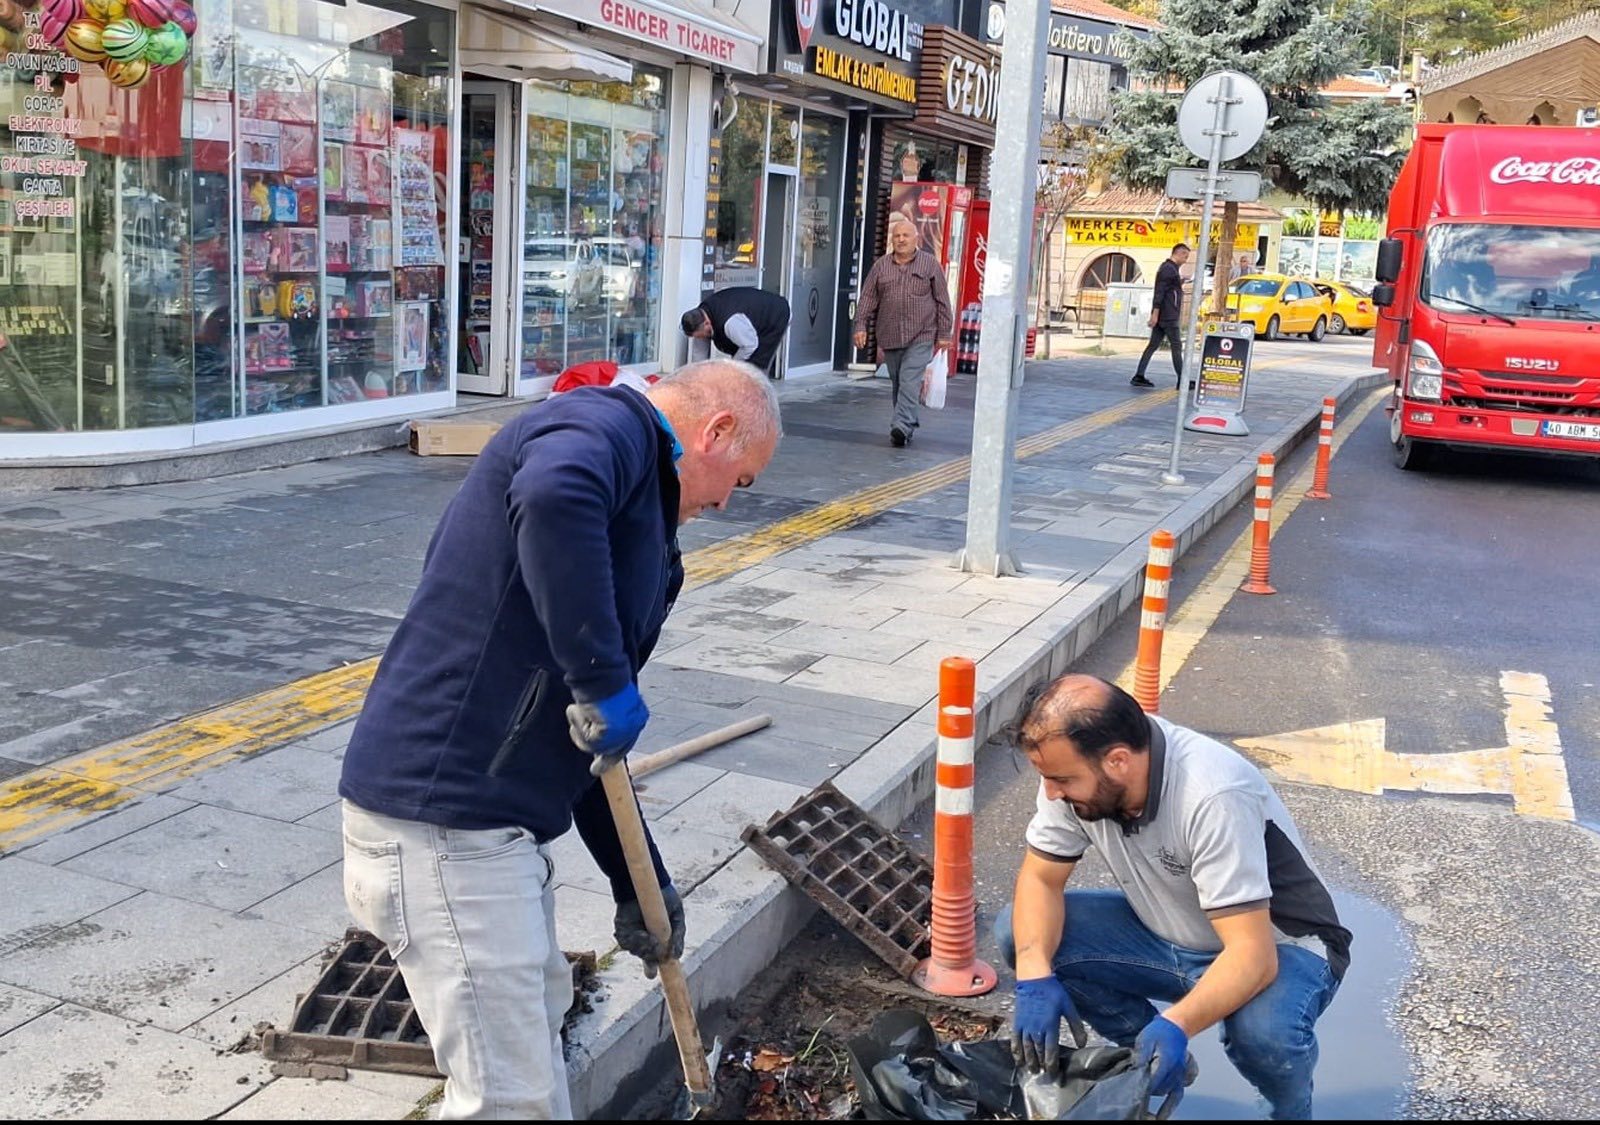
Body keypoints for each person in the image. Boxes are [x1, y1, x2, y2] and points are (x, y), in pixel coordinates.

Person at [338, 359, 781, 1119]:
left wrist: (638, 881)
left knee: (534, 1032)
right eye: (738, 481)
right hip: (446, 826)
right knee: (512, 1103)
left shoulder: (638, 496)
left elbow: (589, 748)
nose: (720, 504)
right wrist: (604, 675)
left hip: (488, 833)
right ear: (715, 431)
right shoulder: (606, 426)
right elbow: (552, 493)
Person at [995, 674, 1351, 1121]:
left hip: (1281, 948)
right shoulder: (1073, 776)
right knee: (1020, 932)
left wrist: (1177, 1023)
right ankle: (1147, 1058)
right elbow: (1042, 881)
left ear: (1118, 761)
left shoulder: (1212, 793)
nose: (1051, 792)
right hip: (1169, 935)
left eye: (1062, 779)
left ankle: (1289, 1112)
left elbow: (1253, 956)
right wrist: (1033, 978)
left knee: (1263, 1035)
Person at [853, 212, 954, 447]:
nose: (901, 239)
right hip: (890, 335)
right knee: (899, 381)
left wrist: (945, 333)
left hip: (922, 334)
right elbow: (867, 297)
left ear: (916, 238)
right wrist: (860, 325)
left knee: (909, 379)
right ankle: (907, 424)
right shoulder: (881, 266)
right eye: (897, 235)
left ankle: (900, 425)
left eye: (906, 235)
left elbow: (942, 300)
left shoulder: (929, 264)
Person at [681, 286, 792, 376]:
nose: (700, 338)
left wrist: (731, 368)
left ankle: (759, 400)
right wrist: (697, 377)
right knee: (740, 364)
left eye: (700, 336)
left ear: (706, 323)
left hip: (775, 316)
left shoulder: (731, 323)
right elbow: (699, 357)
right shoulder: (699, 318)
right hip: (746, 322)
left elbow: (750, 345)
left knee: (756, 370)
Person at [1131, 243, 1189, 389]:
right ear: (1178, 253)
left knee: (1153, 345)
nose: (1186, 260)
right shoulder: (1168, 269)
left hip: (1165, 313)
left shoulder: (1170, 269)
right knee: (1176, 345)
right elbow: (1160, 292)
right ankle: (1182, 380)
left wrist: (1179, 282)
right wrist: (1154, 314)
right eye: (1185, 256)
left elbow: (1167, 289)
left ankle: (1139, 375)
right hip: (1168, 315)